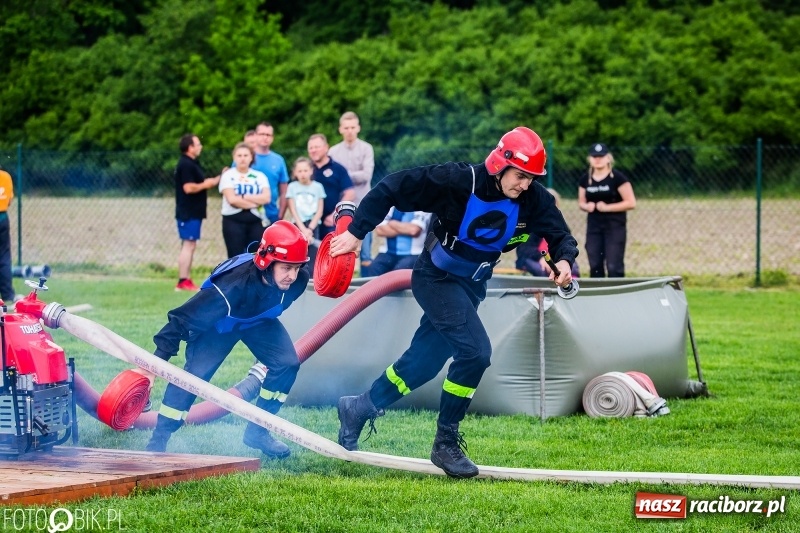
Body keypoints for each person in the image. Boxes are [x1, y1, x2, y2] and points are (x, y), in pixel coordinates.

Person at [328, 127, 578, 478]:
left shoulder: (533, 198)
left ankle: (359, 407)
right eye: (520, 176)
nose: (525, 185)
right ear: (499, 164)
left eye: (531, 178)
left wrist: (564, 261)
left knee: (422, 364)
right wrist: (356, 232)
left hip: (471, 285)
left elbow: (560, 235)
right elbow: (391, 187)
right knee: (475, 353)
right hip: (436, 278)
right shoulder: (458, 181)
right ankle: (445, 443)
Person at [145, 220, 311, 458]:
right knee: (193, 379)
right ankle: (158, 440)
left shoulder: (299, 281)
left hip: (257, 322)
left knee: (287, 364)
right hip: (218, 326)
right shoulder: (231, 286)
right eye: (286, 268)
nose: (293, 276)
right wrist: (151, 369)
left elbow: (271, 301)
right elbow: (179, 321)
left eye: (297, 268)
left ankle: (258, 431)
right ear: (266, 261)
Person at [578, 143, 636, 277]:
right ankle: (598, 295)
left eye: (601, 156)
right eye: (594, 156)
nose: (598, 159)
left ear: (608, 158)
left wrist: (607, 207)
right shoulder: (585, 180)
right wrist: (587, 206)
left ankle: (617, 295)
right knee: (595, 264)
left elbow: (631, 202)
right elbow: (581, 202)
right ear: (590, 159)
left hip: (614, 227)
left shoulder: (618, 178)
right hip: (594, 227)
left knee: (614, 265)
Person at [327, 112, 375, 270]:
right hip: (341, 205)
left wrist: (344, 176)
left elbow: (366, 175)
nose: (349, 131)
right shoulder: (333, 152)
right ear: (340, 129)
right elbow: (333, 179)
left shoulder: (366, 148)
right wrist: (351, 176)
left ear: (358, 128)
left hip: (363, 202)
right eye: (346, 127)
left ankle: (368, 284)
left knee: (366, 250)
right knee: (338, 244)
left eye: (353, 127)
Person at [173, 134, 220, 292]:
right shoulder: (186, 164)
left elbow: (203, 183)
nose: (200, 147)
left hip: (194, 212)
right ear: (190, 147)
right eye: (198, 144)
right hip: (188, 212)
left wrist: (217, 179)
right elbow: (188, 187)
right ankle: (182, 281)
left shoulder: (192, 163)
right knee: (188, 244)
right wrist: (205, 184)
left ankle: (186, 279)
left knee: (190, 245)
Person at [219, 142, 272, 258]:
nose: (242, 158)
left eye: (245, 155)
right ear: (234, 157)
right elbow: (232, 200)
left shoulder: (259, 176)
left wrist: (243, 197)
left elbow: (266, 198)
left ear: (251, 157)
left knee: (256, 256)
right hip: (233, 220)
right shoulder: (228, 175)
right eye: (239, 155)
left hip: (256, 220)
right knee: (235, 257)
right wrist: (255, 202)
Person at [515, 188, 580, 278]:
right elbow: (524, 249)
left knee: (573, 268)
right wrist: (541, 258)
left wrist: (562, 260)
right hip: (534, 258)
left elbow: (566, 245)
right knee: (540, 269)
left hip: (554, 258)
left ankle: (570, 286)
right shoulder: (529, 225)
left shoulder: (561, 227)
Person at [307, 133, 355, 239]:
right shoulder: (305, 170)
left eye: (317, 147)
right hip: (309, 224)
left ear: (326, 148)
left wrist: (334, 215)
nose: (313, 150)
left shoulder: (338, 169)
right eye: (311, 147)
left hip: (329, 223)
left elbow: (350, 193)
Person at [363, 209, 431, 277]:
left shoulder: (421, 207)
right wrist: (405, 229)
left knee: (398, 273)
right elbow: (380, 231)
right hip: (388, 253)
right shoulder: (390, 207)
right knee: (374, 268)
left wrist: (392, 223)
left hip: (414, 253)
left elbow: (414, 230)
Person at [286, 156, 326, 266]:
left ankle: (312, 280)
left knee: (313, 254)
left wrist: (310, 229)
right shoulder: (292, 187)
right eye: (299, 171)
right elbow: (292, 209)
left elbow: (320, 210)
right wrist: (303, 229)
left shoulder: (318, 187)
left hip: (313, 225)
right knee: (298, 253)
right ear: (295, 173)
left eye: (305, 170)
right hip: (298, 224)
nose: (303, 173)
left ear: (311, 171)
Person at [251, 122, 290, 225]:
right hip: (248, 213)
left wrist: (280, 215)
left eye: (268, 135)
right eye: (262, 134)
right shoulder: (245, 156)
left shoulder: (278, 160)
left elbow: (284, 191)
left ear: (272, 138)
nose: (265, 137)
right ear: (255, 136)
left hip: (271, 214)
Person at [0, 165, 16, 303]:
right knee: (4, 257)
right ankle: (7, 295)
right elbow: (9, 200)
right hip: (3, 218)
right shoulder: (6, 176)